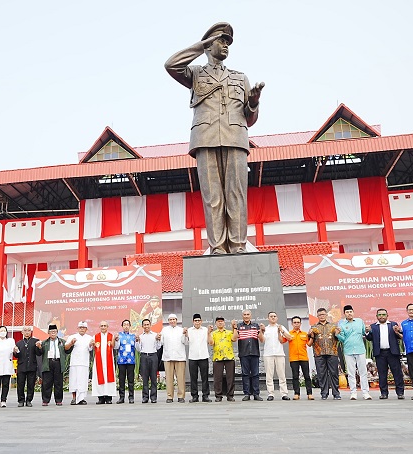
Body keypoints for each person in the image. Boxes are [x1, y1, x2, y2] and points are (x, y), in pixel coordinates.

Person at [165, 22, 264, 254]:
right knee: (213, 197)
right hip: (205, 137)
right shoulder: (196, 73)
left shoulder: (240, 78)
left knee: (236, 194)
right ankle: (217, 247)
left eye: (228, 42)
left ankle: (239, 246)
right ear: (209, 45)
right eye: (221, 41)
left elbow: (249, 119)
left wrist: (254, 102)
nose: (226, 45)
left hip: (236, 137)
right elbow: (171, 65)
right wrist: (200, 46)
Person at [365, 309, 405, 399]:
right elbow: (369, 338)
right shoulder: (373, 327)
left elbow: (399, 336)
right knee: (382, 374)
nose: (382, 316)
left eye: (383, 314)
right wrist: (367, 332)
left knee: (397, 373)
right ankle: (384, 393)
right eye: (379, 315)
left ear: (387, 315)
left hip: (392, 352)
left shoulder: (393, 324)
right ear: (376, 316)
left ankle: (400, 393)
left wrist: (398, 331)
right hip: (380, 353)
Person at [337, 305, 371, 400]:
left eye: (351, 311)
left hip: (360, 349)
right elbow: (343, 339)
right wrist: (337, 334)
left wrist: (367, 330)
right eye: (347, 312)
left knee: (363, 372)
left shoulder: (360, 321)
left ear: (353, 312)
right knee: (351, 372)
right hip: (348, 350)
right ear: (344, 314)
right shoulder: (342, 324)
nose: (349, 313)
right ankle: (353, 392)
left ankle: (365, 392)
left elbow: (364, 332)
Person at [308, 308, 341, 400]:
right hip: (319, 353)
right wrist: (310, 335)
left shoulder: (333, 326)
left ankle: (336, 393)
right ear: (317, 316)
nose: (322, 316)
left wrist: (338, 333)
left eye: (323, 314)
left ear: (326, 315)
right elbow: (310, 342)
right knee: (321, 374)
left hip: (332, 352)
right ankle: (324, 393)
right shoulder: (313, 327)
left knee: (334, 373)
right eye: (320, 315)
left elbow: (338, 338)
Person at [232, 309, 263, 401]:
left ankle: (256, 394)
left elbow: (261, 339)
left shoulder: (256, 326)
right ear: (242, 316)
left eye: (248, 314)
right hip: (244, 354)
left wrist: (261, 330)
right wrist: (234, 328)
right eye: (244, 314)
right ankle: (247, 394)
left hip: (254, 353)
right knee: (245, 374)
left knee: (255, 374)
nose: (246, 316)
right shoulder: (239, 326)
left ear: (251, 315)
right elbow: (234, 339)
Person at [36, 324, 70, 406]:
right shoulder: (44, 342)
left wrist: (71, 344)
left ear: (57, 332)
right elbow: (39, 353)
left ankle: (58, 400)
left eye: (54, 331)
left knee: (58, 383)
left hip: (58, 363)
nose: (53, 333)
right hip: (48, 363)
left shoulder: (62, 342)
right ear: (48, 333)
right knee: (46, 383)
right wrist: (39, 347)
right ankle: (45, 400)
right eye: (51, 332)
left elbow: (67, 351)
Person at [262, 311, 290, 401]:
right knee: (269, 375)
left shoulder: (281, 327)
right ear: (268, 318)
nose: (273, 318)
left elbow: (289, 337)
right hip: (268, 354)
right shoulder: (266, 329)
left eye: (274, 316)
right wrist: (261, 331)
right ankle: (270, 393)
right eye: (271, 316)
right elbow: (262, 340)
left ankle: (284, 393)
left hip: (279, 353)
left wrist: (281, 331)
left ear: (277, 318)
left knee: (281, 374)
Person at [64, 321, 93, 405]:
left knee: (83, 382)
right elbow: (66, 347)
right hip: (74, 363)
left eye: (83, 328)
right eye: (80, 327)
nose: (82, 329)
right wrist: (71, 343)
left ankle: (81, 399)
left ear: (86, 329)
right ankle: (74, 398)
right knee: (74, 381)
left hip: (84, 363)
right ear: (77, 328)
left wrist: (91, 344)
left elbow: (91, 349)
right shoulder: (72, 337)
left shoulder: (89, 338)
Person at [161, 314, 188, 403]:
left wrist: (185, 334)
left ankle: (181, 396)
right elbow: (161, 342)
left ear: (176, 320)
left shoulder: (181, 330)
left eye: (174, 319)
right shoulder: (164, 330)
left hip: (179, 356)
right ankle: (169, 396)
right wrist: (157, 338)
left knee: (180, 378)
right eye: (170, 319)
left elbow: (185, 342)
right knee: (169, 378)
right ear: (168, 321)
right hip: (168, 357)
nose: (172, 321)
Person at [286, 316, 313, 400]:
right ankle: (296, 393)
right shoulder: (289, 334)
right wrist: (281, 332)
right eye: (295, 322)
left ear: (301, 323)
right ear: (292, 324)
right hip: (293, 358)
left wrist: (312, 336)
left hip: (304, 357)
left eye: (298, 322)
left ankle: (309, 393)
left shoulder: (305, 334)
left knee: (307, 376)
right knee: (295, 376)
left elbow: (309, 344)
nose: (296, 324)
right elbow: (282, 340)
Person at [209, 316, 235, 402]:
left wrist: (234, 327)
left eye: (221, 321)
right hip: (217, 357)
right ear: (216, 323)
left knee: (230, 378)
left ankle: (230, 395)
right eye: (218, 321)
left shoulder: (229, 332)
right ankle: (218, 396)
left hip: (229, 357)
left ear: (224, 323)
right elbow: (211, 343)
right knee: (217, 378)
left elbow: (234, 339)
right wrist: (208, 333)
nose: (220, 323)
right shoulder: (213, 333)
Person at [186, 313, 211, 403]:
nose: (197, 322)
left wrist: (209, 332)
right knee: (193, 378)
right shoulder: (189, 330)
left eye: (198, 320)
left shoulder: (205, 330)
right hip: (193, 357)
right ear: (193, 321)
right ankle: (194, 396)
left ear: (201, 321)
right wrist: (185, 335)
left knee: (205, 377)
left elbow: (209, 341)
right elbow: (185, 342)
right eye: (195, 321)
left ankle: (205, 395)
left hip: (203, 356)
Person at [136, 318, 162, 403]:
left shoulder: (154, 335)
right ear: (142, 326)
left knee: (153, 378)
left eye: (148, 324)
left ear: (150, 325)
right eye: (145, 325)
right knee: (145, 378)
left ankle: (153, 397)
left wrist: (158, 340)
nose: (146, 326)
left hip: (153, 356)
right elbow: (139, 349)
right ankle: (145, 397)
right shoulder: (140, 336)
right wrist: (137, 342)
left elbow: (158, 347)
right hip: (144, 356)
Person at [91, 321, 116, 404]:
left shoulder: (111, 336)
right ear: (99, 327)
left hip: (108, 360)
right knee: (99, 378)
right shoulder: (95, 336)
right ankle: (100, 397)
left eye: (105, 326)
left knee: (109, 378)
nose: (103, 327)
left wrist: (114, 340)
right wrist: (91, 344)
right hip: (99, 361)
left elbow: (114, 346)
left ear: (107, 327)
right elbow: (91, 347)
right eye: (101, 326)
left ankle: (109, 397)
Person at [14, 326, 39, 407]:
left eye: (29, 330)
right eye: (25, 330)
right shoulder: (19, 343)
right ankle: (21, 400)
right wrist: (15, 351)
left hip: (32, 366)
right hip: (21, 366)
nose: (27, 332)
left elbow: (39, 353)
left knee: (31, 384)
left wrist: (39, 347)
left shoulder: (35, 341)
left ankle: (29, 400)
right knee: (20, 384)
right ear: (22, 332)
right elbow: (16, 355)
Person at [114, 320, 137, 404]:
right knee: (121, 380)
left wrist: (137, 341)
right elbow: (116, 347)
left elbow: (137, 347)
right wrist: (116, 340)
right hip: (121, 360)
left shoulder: (133, 336)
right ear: (122, 326)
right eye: (124, 325)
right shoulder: (119, 335)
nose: (126, 326)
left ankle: (131, 397)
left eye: (128, 325)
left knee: (131, 380)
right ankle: (121, 397)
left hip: (131, 360)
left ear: (130, 326)